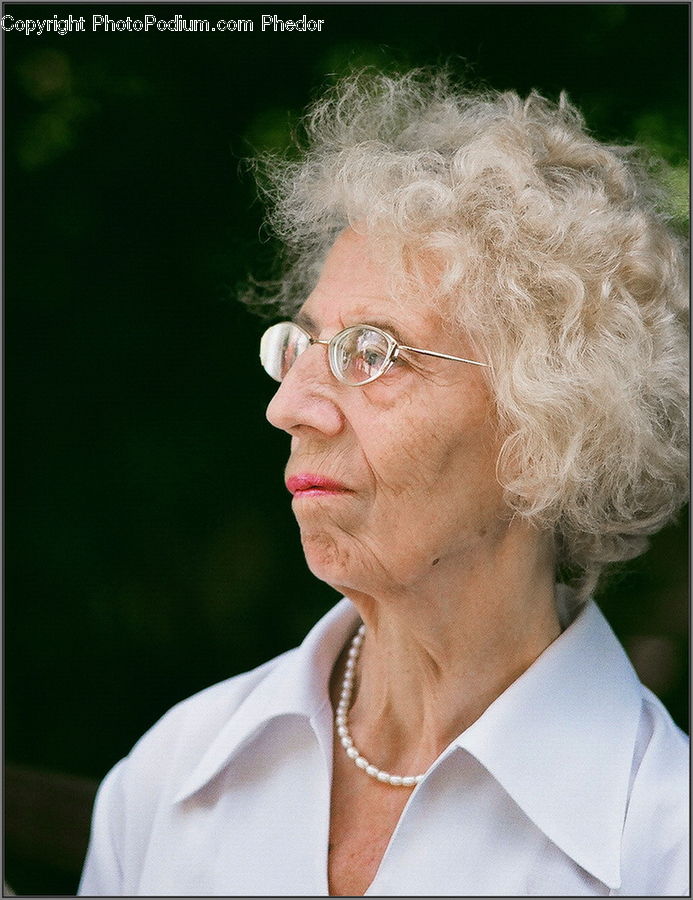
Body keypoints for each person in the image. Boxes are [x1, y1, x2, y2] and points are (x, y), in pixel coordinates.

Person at [79, 70, 689, 897]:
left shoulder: (657, 844)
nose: (289, 406)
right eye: (302, 343)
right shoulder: (177, 773)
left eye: (373, 353)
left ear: (555, 425)